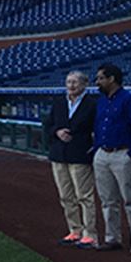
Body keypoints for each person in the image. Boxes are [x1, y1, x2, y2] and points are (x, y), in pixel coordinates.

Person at [91, 63, 131, 255]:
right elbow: (98, 125)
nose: (97, 82)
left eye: (100, 78)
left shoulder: (129, 99)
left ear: (111, 79)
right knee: (107, 200)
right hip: (103, 154)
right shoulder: (101, 101)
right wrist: (98, 147)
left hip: (122, 153)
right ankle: (112, 238)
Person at [43, 71, 97, 249]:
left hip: (80, 154)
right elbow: (48, 124)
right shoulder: (59, 102)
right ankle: (75, 230)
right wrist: (56, 132)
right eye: (68, 82)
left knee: (84, 196)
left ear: (84, 84)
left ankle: (90, 234)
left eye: (75, 82)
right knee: (66, 196)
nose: (71, 85)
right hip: (59, 154)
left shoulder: (91, 104)